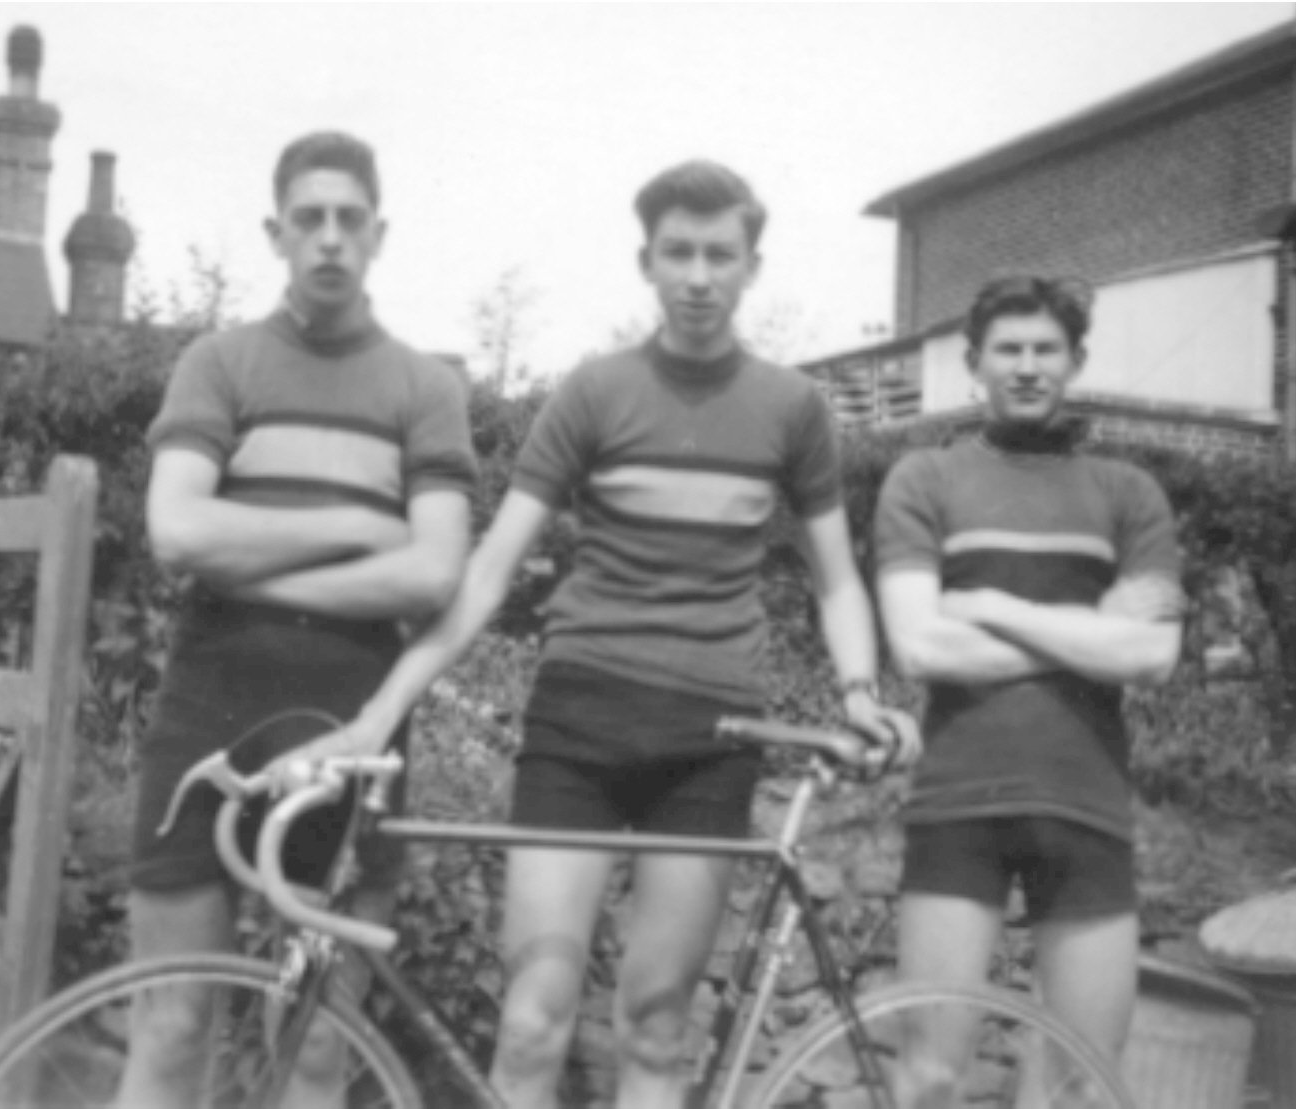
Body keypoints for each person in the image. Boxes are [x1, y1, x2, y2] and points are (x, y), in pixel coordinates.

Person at [290, 160, 916, 1109]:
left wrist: (861, 691)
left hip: (713, 739)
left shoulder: (792, 409)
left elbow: (836, 577)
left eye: (719, 254)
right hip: (578, 722)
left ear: (752, 266)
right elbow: (489, 571)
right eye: (678, 253)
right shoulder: (592, 392)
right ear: (646, 262)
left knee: (655, 1030)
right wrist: (379, 713)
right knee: (534, 1022)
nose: (698, 276)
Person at [124, 131, 476, 1108]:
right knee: (171, 1022)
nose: (329, 238)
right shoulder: (219, 362)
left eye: (348, 219)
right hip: (212, 701)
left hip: (351, 716)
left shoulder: (424, 387)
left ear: (379, 233)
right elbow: (178, 530)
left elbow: (433, 571)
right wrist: (358, 524)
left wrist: (266, 565)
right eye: (309, 219)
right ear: (276, 232)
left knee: (318, 1041)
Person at [873, 276, 1184, 1096]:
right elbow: (915, 643)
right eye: (1007, 349)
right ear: (973, 363)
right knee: (930, 1075)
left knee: (1082, 1083)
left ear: (1074, 361)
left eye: (1045, 349)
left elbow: (1153, 655)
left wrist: (989, 604)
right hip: (957, 805)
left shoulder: (1127, 494)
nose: (1026, 366)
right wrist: (1090, 635)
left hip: (1086, 807)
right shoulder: (923, 478)